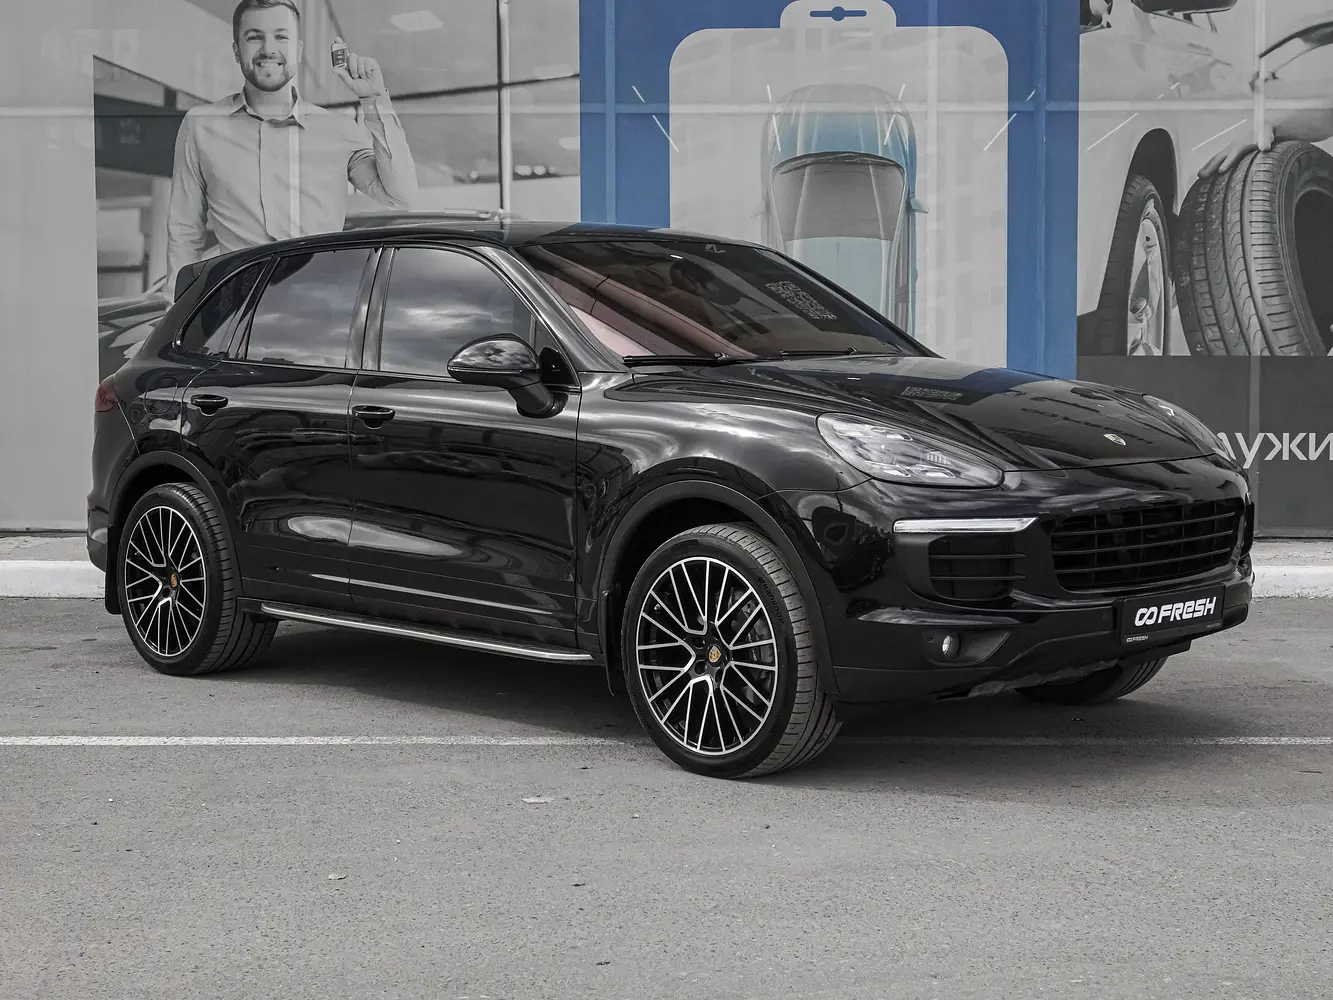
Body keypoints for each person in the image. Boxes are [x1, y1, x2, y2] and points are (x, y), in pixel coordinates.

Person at [165, 0, 418, 293]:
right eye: (254, 37)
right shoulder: (200, 126)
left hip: (320, 310)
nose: (268, 48)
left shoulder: (338, 131)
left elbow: (401, 197)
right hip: (238, 312)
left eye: (281, 36)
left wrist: (374, 100)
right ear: (236, 51)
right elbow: (184, 233)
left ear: (298, 50)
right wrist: (178, 311)